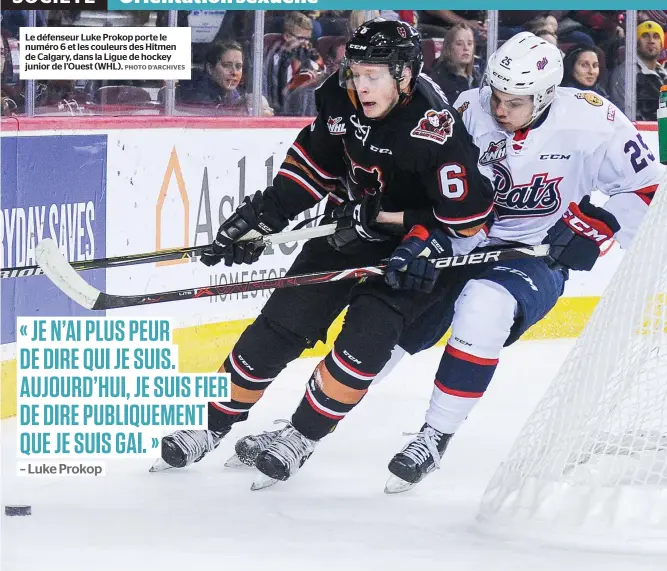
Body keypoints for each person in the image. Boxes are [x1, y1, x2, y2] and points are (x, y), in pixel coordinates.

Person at [151, 19, 495, 489]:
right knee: (279, 325)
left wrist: (408, 233)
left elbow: (469, 217)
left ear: (405, 75)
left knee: (365, 343)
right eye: (356, 71)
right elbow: (315, 166)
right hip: (346, 229)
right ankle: (211, 425)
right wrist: (265, 216)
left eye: (374, 75)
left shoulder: (435, 126)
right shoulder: (339, 94)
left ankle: (303, 435)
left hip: (412, 252)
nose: (361, 84)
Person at [381, 31, 663, 492]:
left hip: (534, 257)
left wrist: (599, 224)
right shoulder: (470, 110)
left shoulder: (595, 122)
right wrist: (421, 237)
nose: (500, 110)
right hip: (464, 243)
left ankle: (435, 436)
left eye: (514, 102)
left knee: (483, 304)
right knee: (388, 318)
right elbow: (430, 187)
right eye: (496, 95)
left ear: (546, 95)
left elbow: (649, 190)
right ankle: (306, 428)